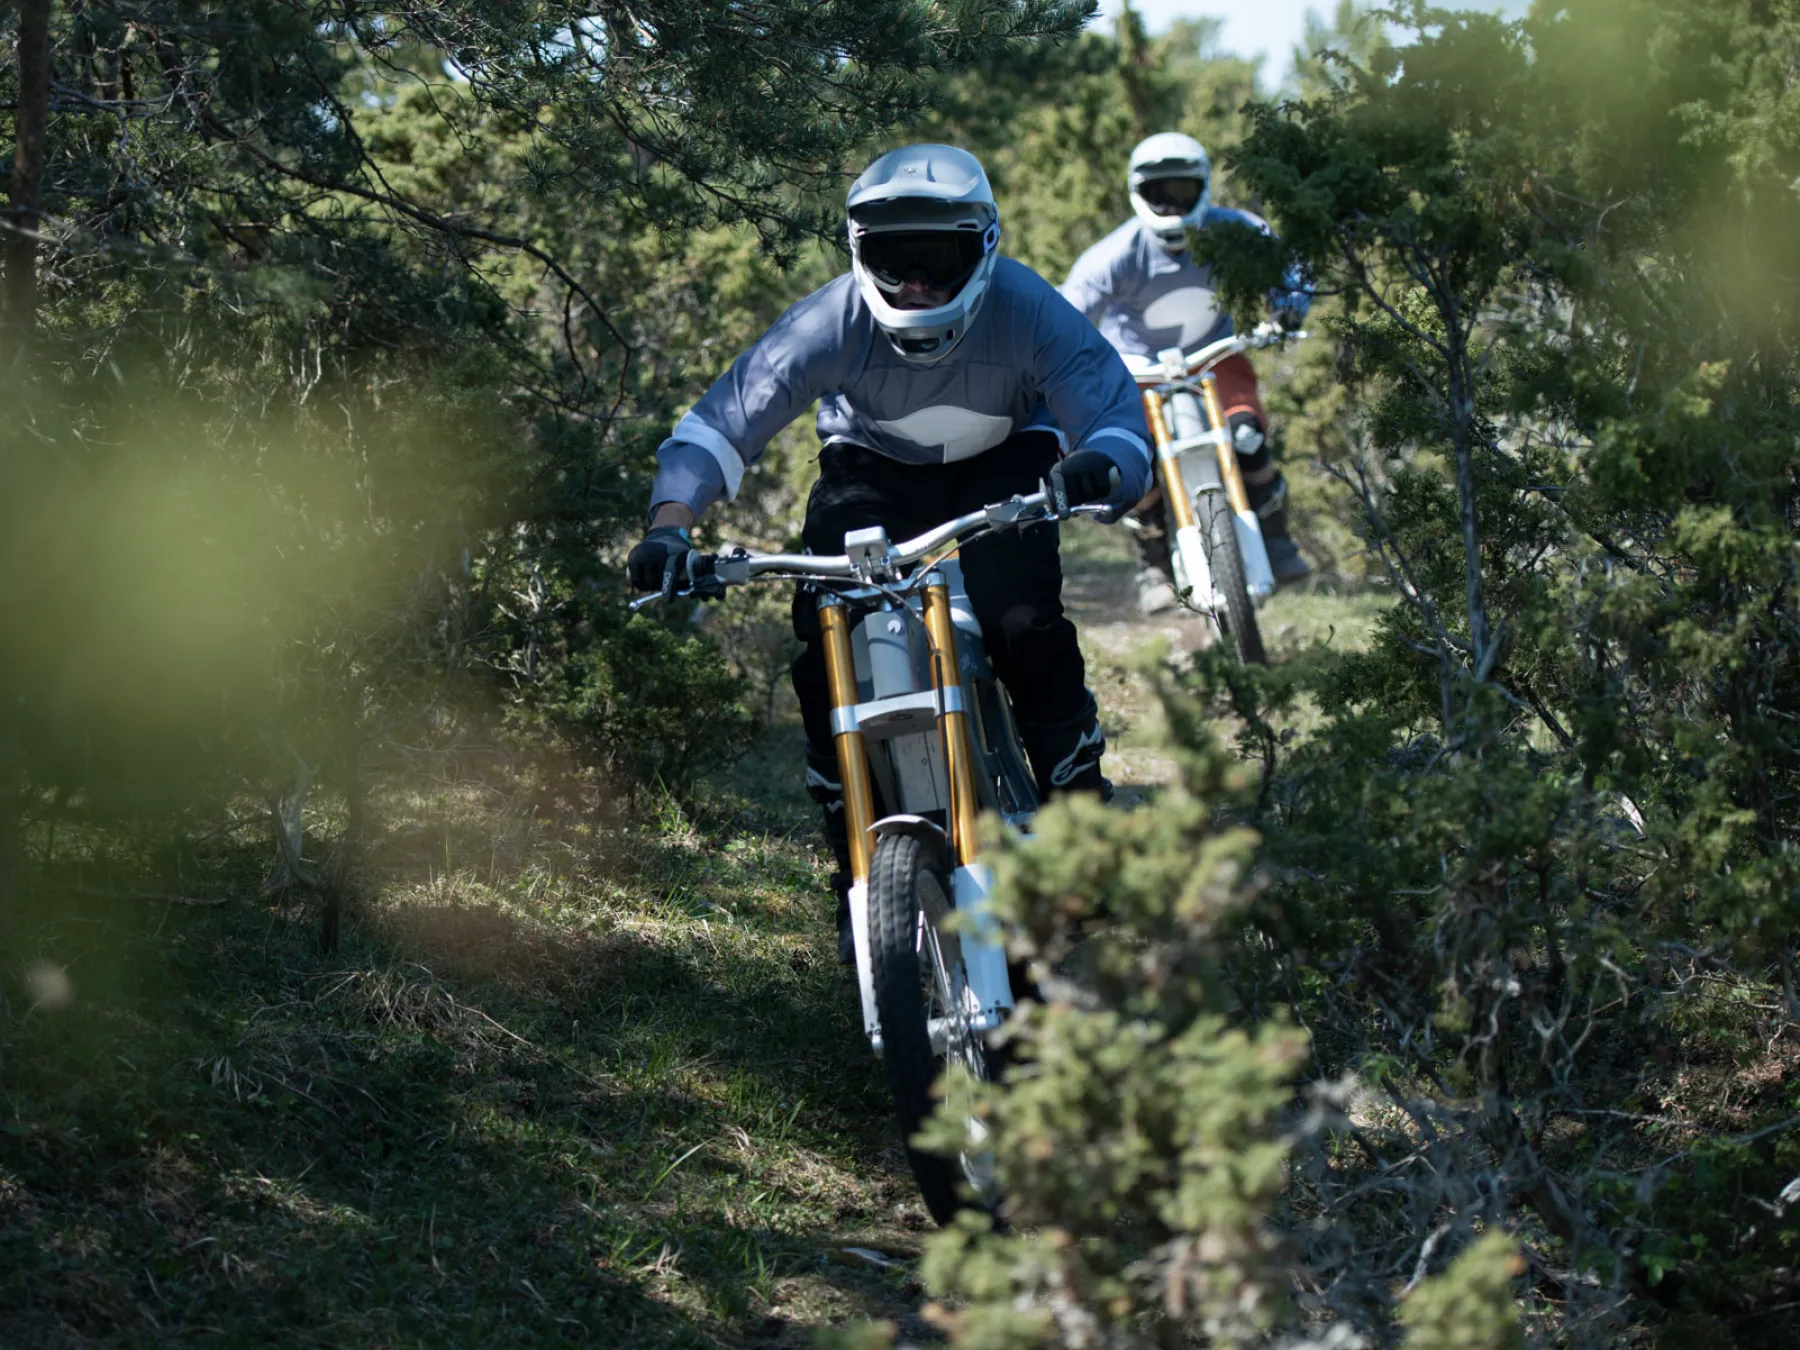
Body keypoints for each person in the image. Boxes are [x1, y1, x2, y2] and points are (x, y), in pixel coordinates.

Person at [625, 144, 1151, 961]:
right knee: (822, 652)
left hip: (1005, 465)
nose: (914, 285)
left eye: (937, 261)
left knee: (1021, 621)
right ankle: (859, 879)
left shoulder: (1028, 308)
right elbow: (724, 421)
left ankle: (1078, 826)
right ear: (857, 250)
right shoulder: (831, 318)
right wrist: (670, 524)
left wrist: (1101, 463)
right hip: (870, 474)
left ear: (984, 248)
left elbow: (1115, 413)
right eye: (893, 260)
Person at [1060, 131, 1313, 610]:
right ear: (1138, 193)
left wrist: (1288, 309)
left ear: (1204, 187)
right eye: (1159, 192)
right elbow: (1067, 313)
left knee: (1248, 435)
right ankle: (1154, 564)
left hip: (1215, 354)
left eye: (1182, 190)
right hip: (1137, 371)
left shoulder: (1234, 231)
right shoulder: (1115, 255)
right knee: (1135, 463)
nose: (1172, 204)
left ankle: (1278, 539)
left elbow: (1289, 267)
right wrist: (1066, 358)